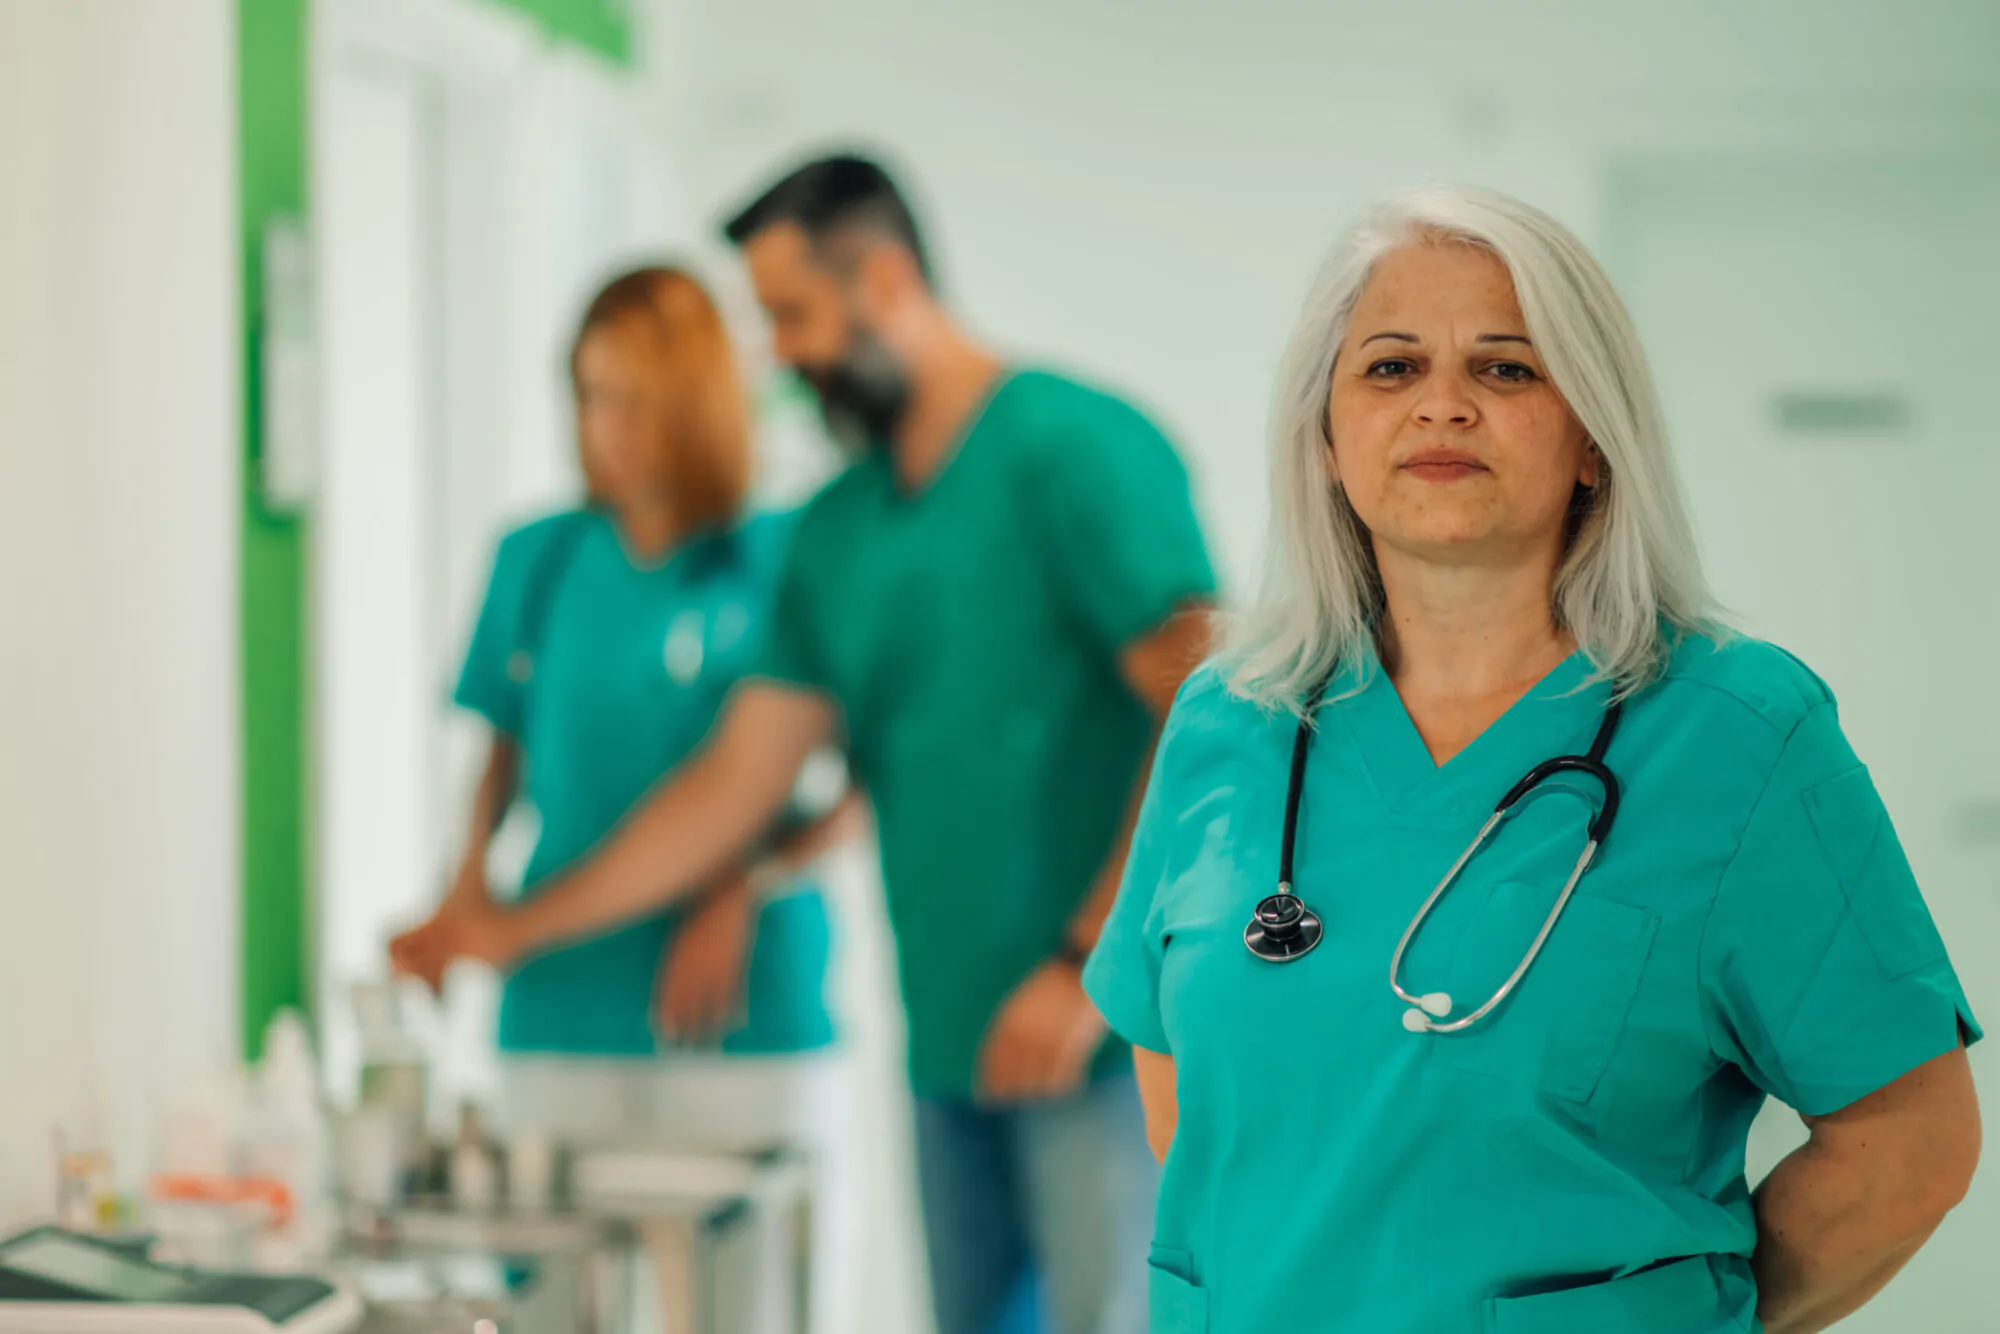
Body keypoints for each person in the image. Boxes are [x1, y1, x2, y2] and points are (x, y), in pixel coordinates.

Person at [1083, 185, 1982, 1334]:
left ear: (1594, 442)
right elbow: (1180, 1084)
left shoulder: (1738, 734)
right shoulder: (1228, 716)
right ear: (1324, 439)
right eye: (1390, 367)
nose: (1441, 406)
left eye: (1505, 369)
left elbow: (1906, 1147)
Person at [391, 154, 1218, 1334]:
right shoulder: (838, 530)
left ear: (883, 282)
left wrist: (1089, 958)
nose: (776, 355)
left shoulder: (1076, 449)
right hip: (951, 1039)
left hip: (1092, 1039)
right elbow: (733, 782)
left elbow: (1209, 713)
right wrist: (507, 927)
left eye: (790, 316)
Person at [405, 265, 864, 1334]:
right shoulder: (541, 556)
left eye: (634, 397)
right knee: (554, 1309)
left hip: (740, 1012)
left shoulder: (783, 555)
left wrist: (745, 880)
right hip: (563, 1004)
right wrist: (463, 900)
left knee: (752, 1309)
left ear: (699, 399)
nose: (607, 427)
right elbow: (499, 757)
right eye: (588, 394)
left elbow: (857, 783)